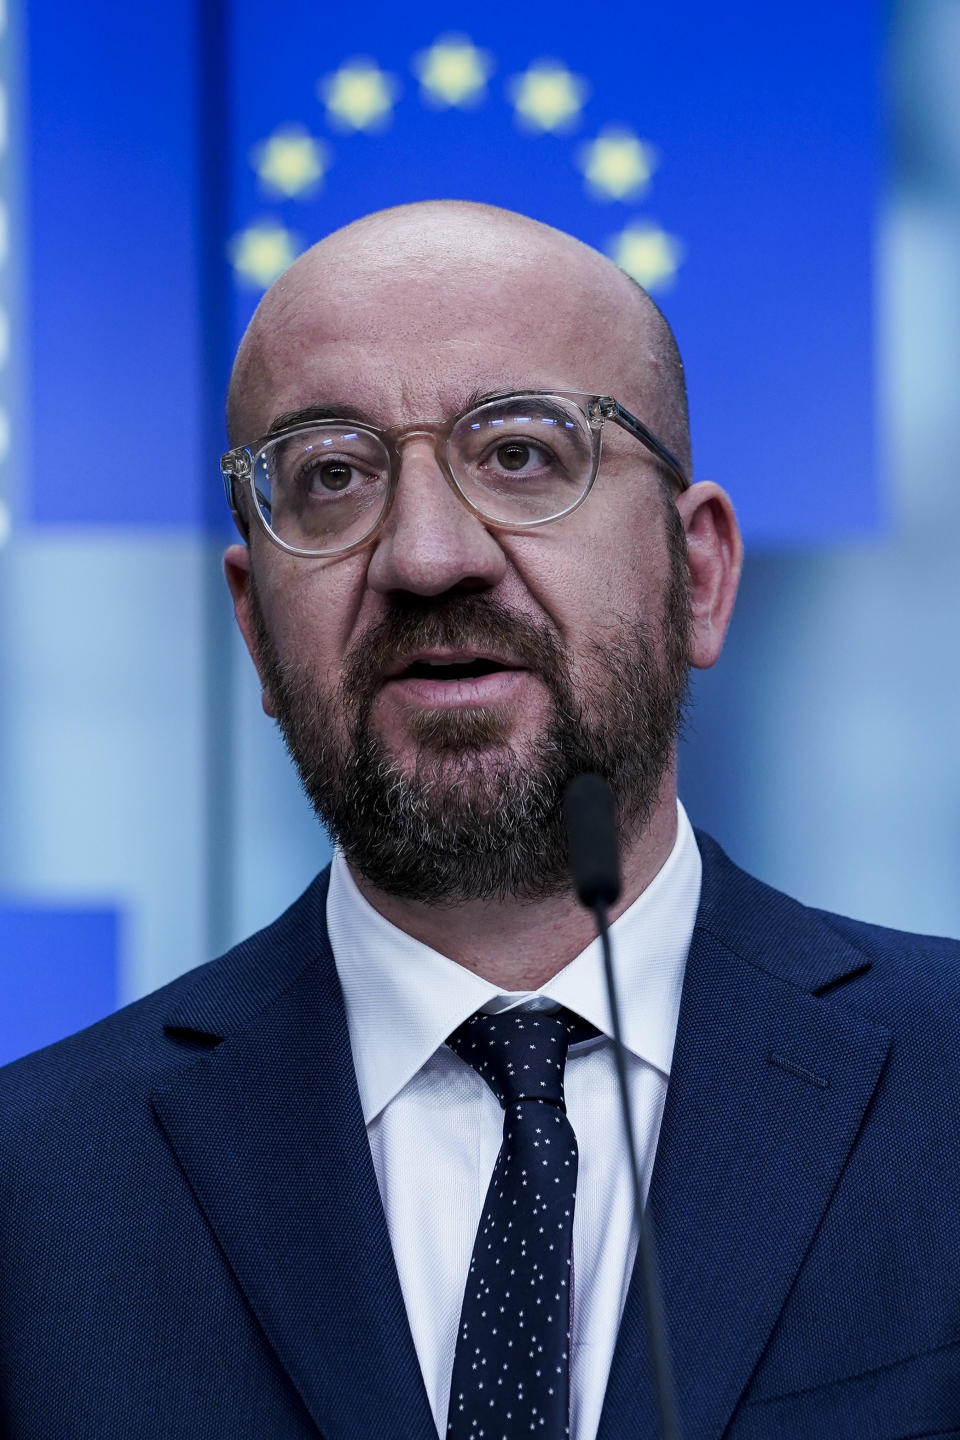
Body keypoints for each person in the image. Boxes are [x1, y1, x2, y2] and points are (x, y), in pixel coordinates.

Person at [1, 201, 959, 1440]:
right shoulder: (35, 1190)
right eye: (332, 477)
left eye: (520, 453)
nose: (428, 554)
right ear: (253, 625)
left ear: (701, 576)